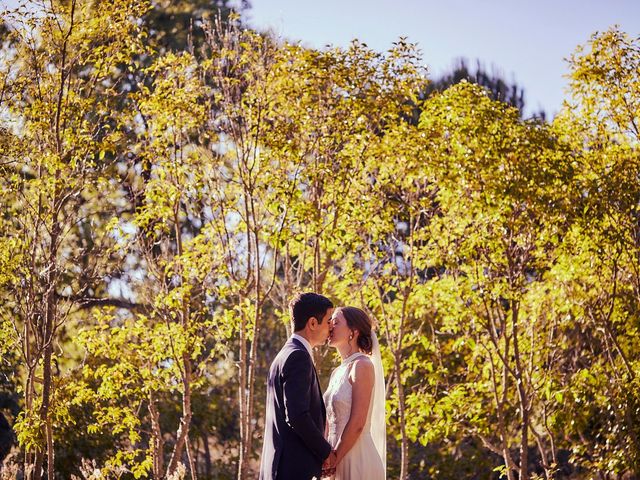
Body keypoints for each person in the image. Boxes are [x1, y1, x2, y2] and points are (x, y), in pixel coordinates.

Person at [259, 292, 338, 480]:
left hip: (280, 467)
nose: (331, 327)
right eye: (328, 321)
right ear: (312, 323)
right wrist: (326, 453)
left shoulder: (285, 354)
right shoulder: (298, 356)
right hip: (292, 470)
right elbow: (297, 415)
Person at [323, 306, 386, 479]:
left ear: (353, 331)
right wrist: (325, 457)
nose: (330, 327)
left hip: (357, 457)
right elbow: (329, 419)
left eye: (336, 323)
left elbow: (358, 421)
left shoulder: (362, 365)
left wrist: (336, 456)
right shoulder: (337, 372)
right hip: (333, 456)